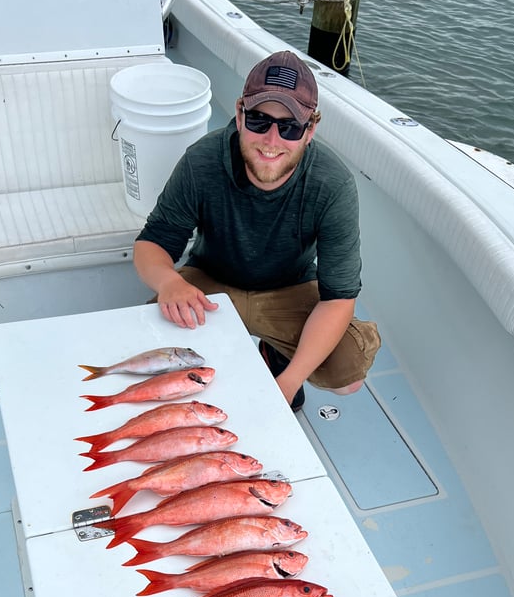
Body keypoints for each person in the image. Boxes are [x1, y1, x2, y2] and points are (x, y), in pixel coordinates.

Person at [133, 50, 380, 411]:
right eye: (260, 120)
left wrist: (288, 382)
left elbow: (338, 297)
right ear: (239, 113)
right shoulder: (202, 160)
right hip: (209, 284)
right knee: (150, 344)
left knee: (348, 375)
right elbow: (153, 243)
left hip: (289, 287)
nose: (272, 139)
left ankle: (276, 355)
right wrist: (170, 283)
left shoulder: (333, 184)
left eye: (290, 126)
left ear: (310, 130)